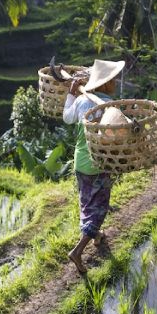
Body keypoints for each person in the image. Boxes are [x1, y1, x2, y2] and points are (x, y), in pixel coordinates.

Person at [62, 59, 125, 273]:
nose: (115, 82)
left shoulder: (81, 101)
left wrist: (71, 93)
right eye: (113, 80)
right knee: (99, 208)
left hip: (80, 161)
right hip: (99, 164)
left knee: (86, 202)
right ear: (105, 84)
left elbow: (67, 118)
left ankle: (96, 235)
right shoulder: (111, 107)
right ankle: (77, 251)